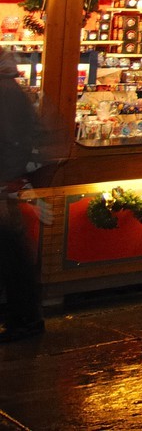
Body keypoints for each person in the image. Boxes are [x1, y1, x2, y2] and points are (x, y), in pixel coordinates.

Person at [0, 50, 48, 343]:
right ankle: (25, 317)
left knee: (12, 253)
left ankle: (25, 319)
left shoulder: (6, 93)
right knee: (12, 252)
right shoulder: (12, 90)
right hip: (8, 181)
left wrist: (7, 178)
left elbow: (11, 140)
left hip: (5, 184)